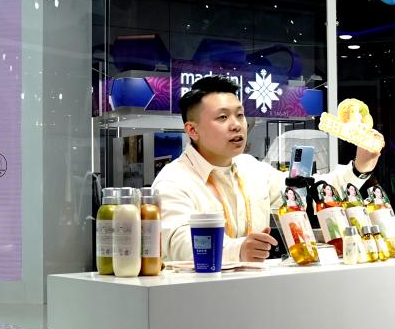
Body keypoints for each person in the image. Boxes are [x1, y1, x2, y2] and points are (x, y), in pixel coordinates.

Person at [152, 75, 382, 263]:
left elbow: (307, 192)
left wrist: (360, 166)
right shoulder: (174, 180)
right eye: (222, 117)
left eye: (240, 115)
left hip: (257, 289)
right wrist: (238, 250)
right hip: (196, 295)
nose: (236, 125)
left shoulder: (250, 168)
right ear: (192, 130)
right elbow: (177, 243)